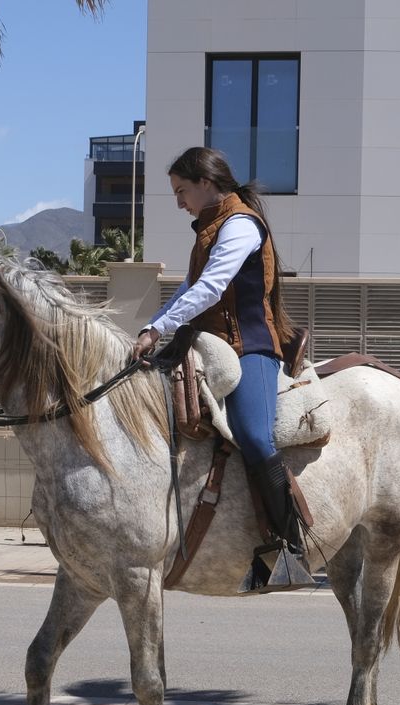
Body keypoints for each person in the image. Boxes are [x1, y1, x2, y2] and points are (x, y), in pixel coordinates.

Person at [131, 146, 312, 593]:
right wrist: (152, 328)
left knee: (253, 434)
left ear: (206, 183)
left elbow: (211, 289)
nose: (178, 202)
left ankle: (290, 548)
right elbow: (190, 290)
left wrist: (157, 330)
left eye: (181, 191)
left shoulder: (240, 225)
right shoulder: (209, 228)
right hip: (209, 345)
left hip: (251, 348)